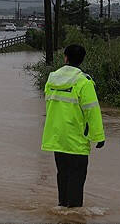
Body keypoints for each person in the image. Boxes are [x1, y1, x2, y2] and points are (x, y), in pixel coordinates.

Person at [42, 44, 105, 208]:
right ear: (82, 59)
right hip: (76, 139)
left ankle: (62, 209)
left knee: (62, 175)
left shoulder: (52, 79)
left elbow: (49, 105)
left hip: (56, 137)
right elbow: (92, 111)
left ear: (65, 58)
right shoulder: (84, 82)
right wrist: (99, 137)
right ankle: (73, 218)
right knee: (76, 178)